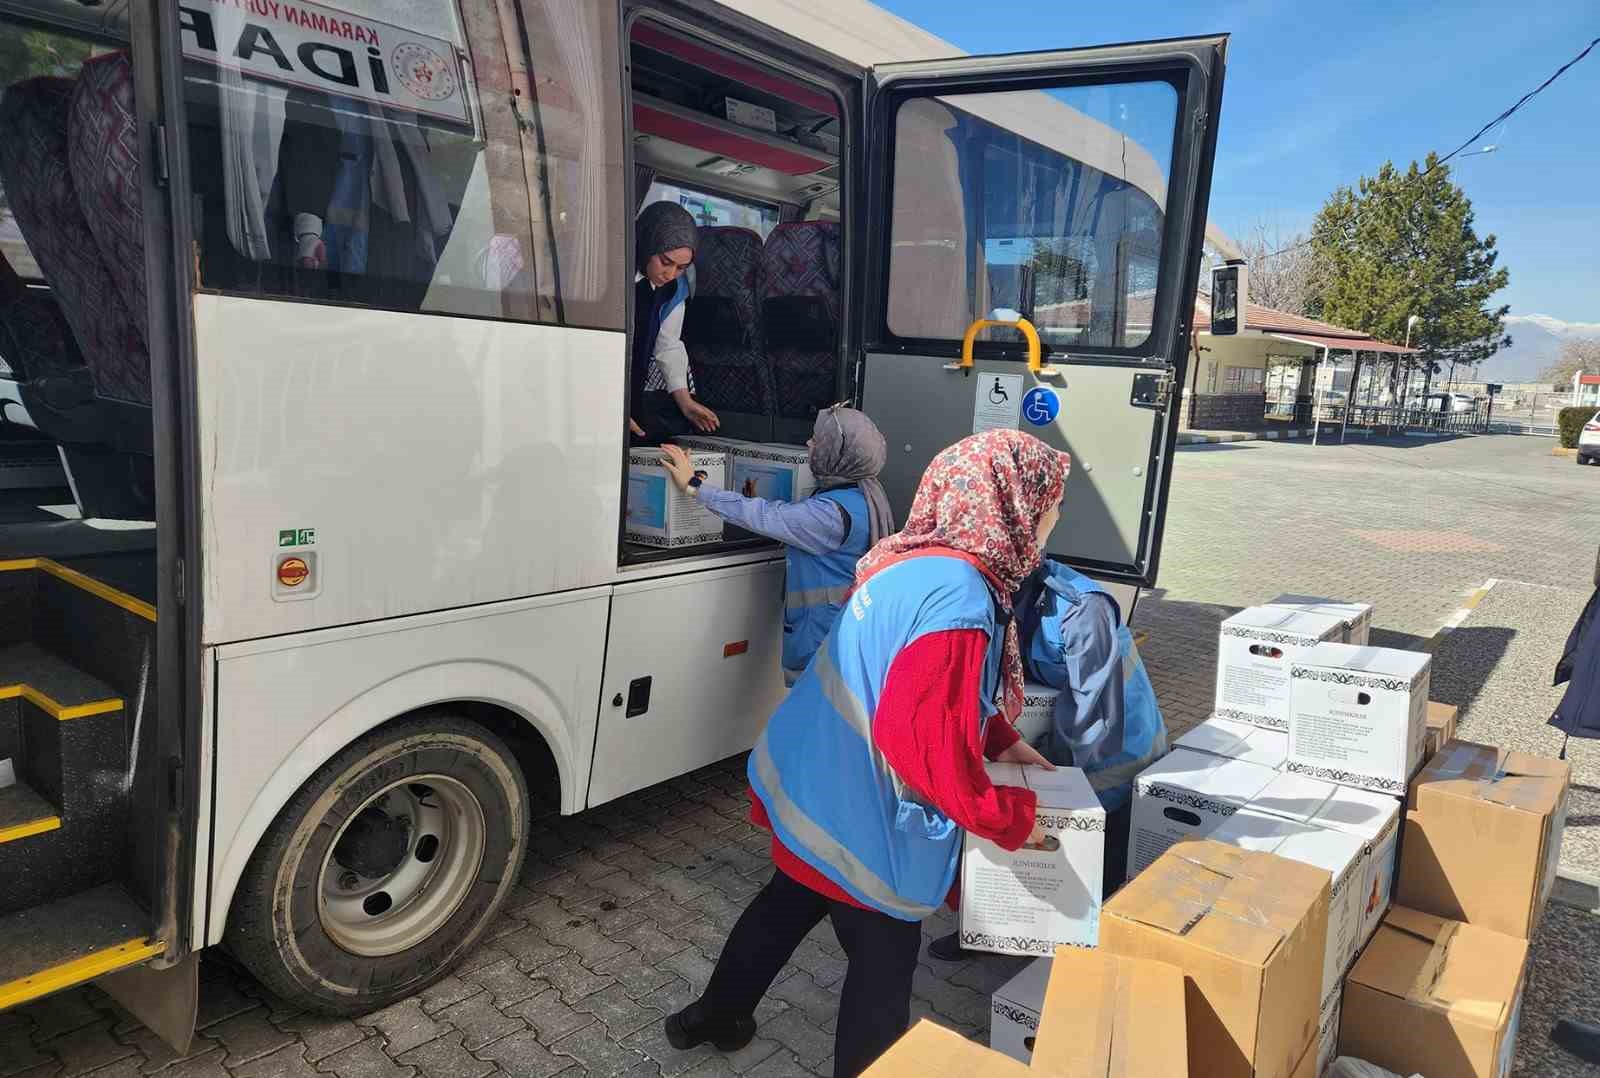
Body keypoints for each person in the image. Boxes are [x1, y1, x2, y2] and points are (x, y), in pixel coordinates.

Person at [662, 429, 1069, 1078]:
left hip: (816, 779)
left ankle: (711, 1018)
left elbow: (928, 683)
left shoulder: (918, 559)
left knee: (787, 901)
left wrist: (1001, 738)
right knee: (883, 963)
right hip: (863, 812)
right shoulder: (963, 597)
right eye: (1051, 502)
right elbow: (923, 742)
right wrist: (1009, 818)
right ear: (1013, 506)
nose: (1053, 516)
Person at [924, 559, 1168, 961]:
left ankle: (1068, 948)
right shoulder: (988, 598)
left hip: (1114, 753)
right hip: (1050, 742)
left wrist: (1044, 780)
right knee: (1023, 830)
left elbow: (1094, 724)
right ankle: (997, 932)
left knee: (1089, 861)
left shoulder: (1082, 608)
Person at [659, 406, 895, 684]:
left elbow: (764, 516)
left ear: (837, 453)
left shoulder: (830, 515)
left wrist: (694, 485)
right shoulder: (862, 497)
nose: (809, 444)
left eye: (817, 440)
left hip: (824, 644)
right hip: (840, 636)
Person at [630, 202, 718, 442]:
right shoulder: (612, 278)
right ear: (646, 246)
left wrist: (686, 403)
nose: (670, 275)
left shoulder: (674, 289)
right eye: (665, 262)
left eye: (681, 267)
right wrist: (608, 406)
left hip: (631, 393)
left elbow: (668, 345)